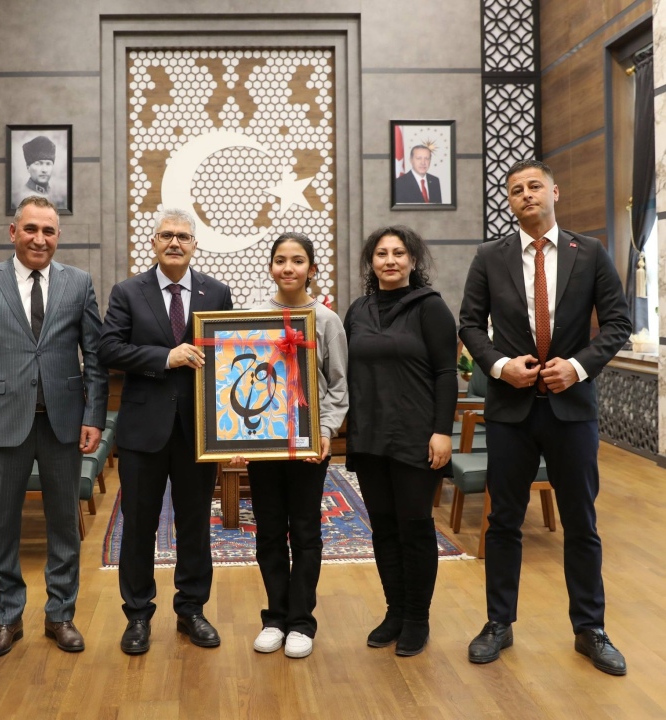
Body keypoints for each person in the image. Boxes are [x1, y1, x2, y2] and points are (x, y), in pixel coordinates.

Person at [459, 159, 632, 675]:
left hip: (572, 411)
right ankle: (498, 623)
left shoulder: (590, 252)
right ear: (510, 201)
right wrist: (500, 366)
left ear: (554, 192)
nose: (526, 195)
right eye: (516, 190)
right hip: (510, 412)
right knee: (503, 521)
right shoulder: (489, 257)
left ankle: (590, 628)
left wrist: (577, 367)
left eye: (535, 186)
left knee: (581, 522)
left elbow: (617, 322)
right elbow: (470, 325)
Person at [0, 195, 108, 658]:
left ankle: (61, 615)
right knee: (2, 526)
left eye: (49, 231)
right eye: (31, 229)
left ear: (58, 236)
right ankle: (6, 617)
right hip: (2, 424)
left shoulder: (78, 283)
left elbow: (95, 358)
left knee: (64, 525)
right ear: (13, 232)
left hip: (64, 423)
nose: (40, 239)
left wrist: (93, 417)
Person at [98, 208, 233, 655]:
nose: (175, 242)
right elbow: (109, 348)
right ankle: (137, 615)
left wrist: (233, 432)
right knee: (139, 525)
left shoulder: (217, 292)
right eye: (167, 235)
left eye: (183, 236)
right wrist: (164, 358)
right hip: (143, 430)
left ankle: (191, 609)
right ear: (153, 242)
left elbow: (229, 359)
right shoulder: (128, 292)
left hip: (199, 432)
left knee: (195, 524)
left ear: (195, 245)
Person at [229, 232, 349, 659]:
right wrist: (235, 435)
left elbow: (338, 385)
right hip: (264, 444)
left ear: (311, 269)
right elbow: (236, 379)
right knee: (268, 531)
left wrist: (326, 430)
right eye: (280, 260)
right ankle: (274, 619)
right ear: (270, 267)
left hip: (309, 445)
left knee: (305, 530)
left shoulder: (327, 321)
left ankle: (301, 622)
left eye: (297, 261)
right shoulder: (253, 316)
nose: (288, 268)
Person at [344, 225, 458, 656]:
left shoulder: (430, 307)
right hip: (369, 435)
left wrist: (442, 431)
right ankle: (394, 611)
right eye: (381, 253)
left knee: (414, 526)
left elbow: (446, 373)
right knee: (383, 527)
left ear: (412, 260)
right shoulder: (357, 310)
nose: (389, 260)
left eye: (398, 253)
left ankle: (417, 618)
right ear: (371, 262)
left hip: (417, 435)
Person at [14, 135, 69, 210]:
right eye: (38, 164)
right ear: (28, 167)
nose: (44, 170)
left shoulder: (57, 195)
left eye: (48, 164)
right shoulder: (21, 197)